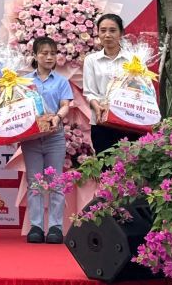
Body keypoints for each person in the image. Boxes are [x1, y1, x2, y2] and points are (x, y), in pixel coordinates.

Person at [22, 36, 73, 244]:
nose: (49, 57)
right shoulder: (24, 81)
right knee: (34, 183)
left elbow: (66, 104)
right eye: (44, 53)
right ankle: (35, 226)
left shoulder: (61, 81)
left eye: (53, 53)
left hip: (54, 136)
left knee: (56, 183)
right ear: (35, 55)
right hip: (32, 138)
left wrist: (57, 117)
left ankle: (55, 227)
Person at [82, 14, 135, 154]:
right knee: (106, 168)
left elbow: (140, 90)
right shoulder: (91, 60)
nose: (107, 35)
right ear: (98, 33)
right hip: (101, 121)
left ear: (121, 33)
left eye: (112, 30)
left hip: (128, 121)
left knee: (131, 167)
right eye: (103, 30)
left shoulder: (133, 59)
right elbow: (89, 91)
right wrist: (97, 106)